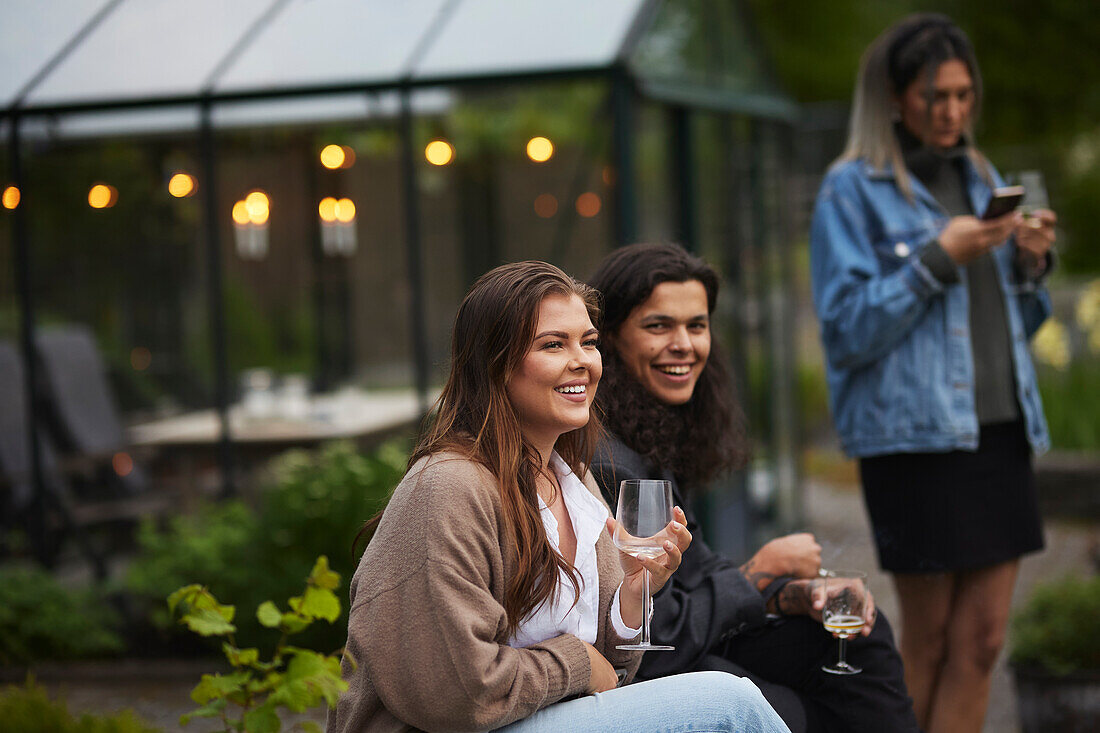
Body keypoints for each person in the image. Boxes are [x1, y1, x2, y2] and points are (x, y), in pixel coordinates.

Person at [329, 261, 789, 733]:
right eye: (553, 344)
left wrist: (633, 599)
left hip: (539, 720)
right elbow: (457, 692)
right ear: (495, 363)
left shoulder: (575, 483)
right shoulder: (448, 487)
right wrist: (577, 663)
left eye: (588, 342)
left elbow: (613, 674)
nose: (583, 361)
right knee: (727, 703)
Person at [809, 14, 1056, 733]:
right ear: (893, 96)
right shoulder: (849, 191)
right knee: (928, 639)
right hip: (912, 445)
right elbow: (847, 330)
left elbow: (1008, 324)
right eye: (934, 96)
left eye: (962, 95)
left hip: (999, 432)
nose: (951, 112)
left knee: (982, 642)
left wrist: (1028, 266)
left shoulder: (980, 174)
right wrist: (936, 258)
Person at [588, 243, 919, 733]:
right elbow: (660, 633)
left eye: (696, 326)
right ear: (610, 340)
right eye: (658, 326)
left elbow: (697, 571)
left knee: (849, 637)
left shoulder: (646, 435)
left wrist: (790, 595)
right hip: (646, 666)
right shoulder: (614, 460)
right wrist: (761, 572)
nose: (684, 344)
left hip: (689, 641)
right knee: (793, 702)